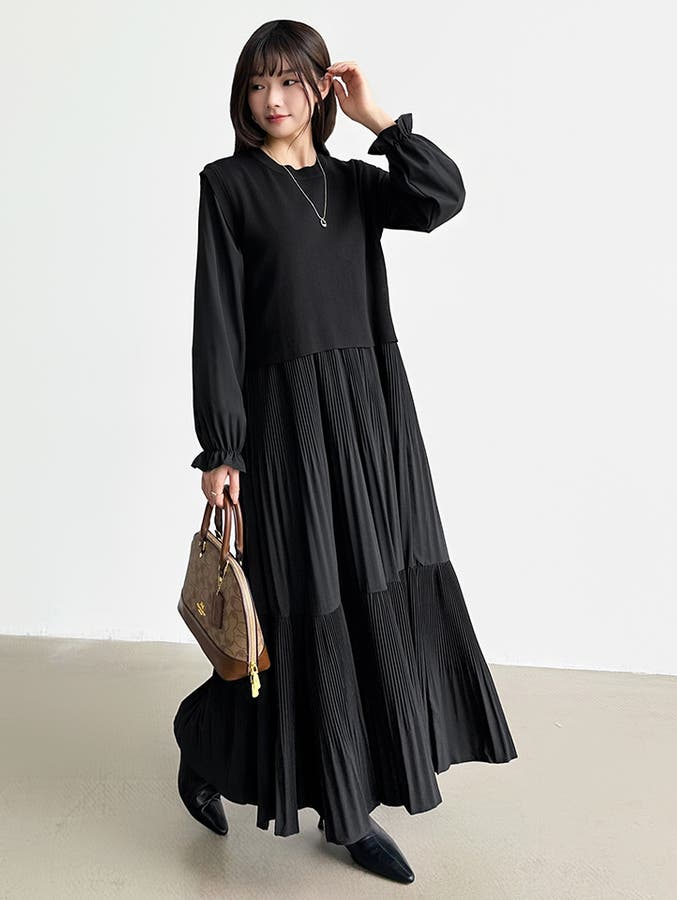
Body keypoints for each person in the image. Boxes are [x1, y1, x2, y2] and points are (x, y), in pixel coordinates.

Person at [173, 19, 518, 885]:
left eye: (290, 81)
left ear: (319, 88)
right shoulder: (229, 186)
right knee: (303, 603)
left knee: (373, 597)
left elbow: (442, 196)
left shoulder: (357, 184)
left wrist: (379, 120)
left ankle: (346, 795)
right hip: (284, 423)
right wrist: (222, 447)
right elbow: (218, 321)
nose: (273, 99)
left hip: (372, 415)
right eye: (257, 84)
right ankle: (268, 771)